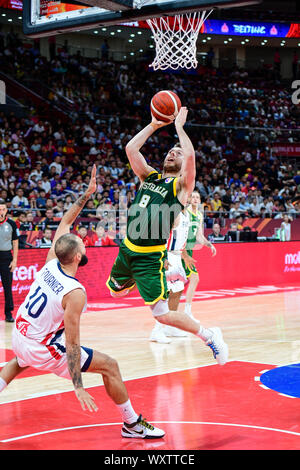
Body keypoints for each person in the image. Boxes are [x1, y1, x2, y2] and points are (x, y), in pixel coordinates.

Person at [0, 166, 164, 439]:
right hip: (43, 348)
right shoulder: (74, 292)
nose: (83, 240)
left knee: (20, 360)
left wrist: (87, 195)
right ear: (76, 256)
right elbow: (72, 344)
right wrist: (77, 384)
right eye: (81, 242)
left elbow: (65, 223)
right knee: (110, 366)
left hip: (19, 336)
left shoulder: (51, 262)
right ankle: (132, 424)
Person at [106, 108, 228, 365]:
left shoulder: (181, 187)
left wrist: (180, 128)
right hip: (126, 249)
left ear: (185, 165)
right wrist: (153, 125)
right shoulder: (148, 177)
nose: (172, 153)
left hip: (149, 257)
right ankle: (135, 282)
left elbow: (191, 156)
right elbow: (130, 149)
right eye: (170, 151)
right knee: (115, 293)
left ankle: (210, 336)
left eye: (178, 153)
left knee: (161, 314)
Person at [182, 191, 217, 320]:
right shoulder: (185, 212)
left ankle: (182, 312)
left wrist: (210, 245)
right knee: (193, 279)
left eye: (198, 197)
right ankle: (186, 311)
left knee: (182, 282)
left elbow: (199, 236)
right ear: (190, 199)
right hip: (181, 250)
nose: (195, 199)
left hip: (189, 250)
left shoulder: (200, 215)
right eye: (193, 197)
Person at [0, 200, 19, 322]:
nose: (1, 212)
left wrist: (15, 260)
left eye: (3, 209)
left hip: (6, 257)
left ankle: (8, 313)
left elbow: (15, 243)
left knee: (7, 286)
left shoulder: (12, 224)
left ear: (6, 211)